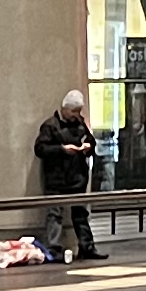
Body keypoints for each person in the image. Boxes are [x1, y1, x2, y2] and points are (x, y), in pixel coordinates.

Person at [33, 89, 103, 264]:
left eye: (78, 111)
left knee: (80, 214)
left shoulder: (80, 123)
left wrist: (88, 147)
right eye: (73, 111)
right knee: (54, 214)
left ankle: (87, 246)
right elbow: (40, 149)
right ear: (64, 109)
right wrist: (62, 150)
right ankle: (54, 249)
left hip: (76, 177)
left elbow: (92, 142)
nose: (76, 115)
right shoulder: (50, 126)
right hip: (57, 179)